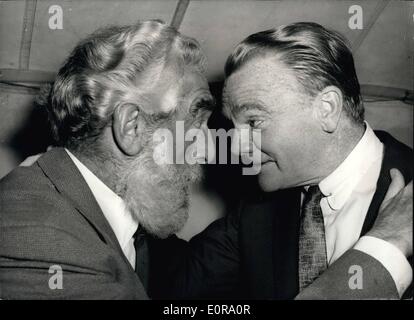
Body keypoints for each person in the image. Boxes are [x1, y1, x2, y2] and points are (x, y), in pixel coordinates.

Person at [149, 22, 413, 300]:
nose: (236, 147)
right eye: (234, 126)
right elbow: (179, 280)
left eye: (254, 121)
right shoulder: (258, 210)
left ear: (327, 109)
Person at [0, 20, 215, 299]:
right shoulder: (37, 234)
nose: (209, 148)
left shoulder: (121, 216)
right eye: (196, 121)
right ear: (132, 127)